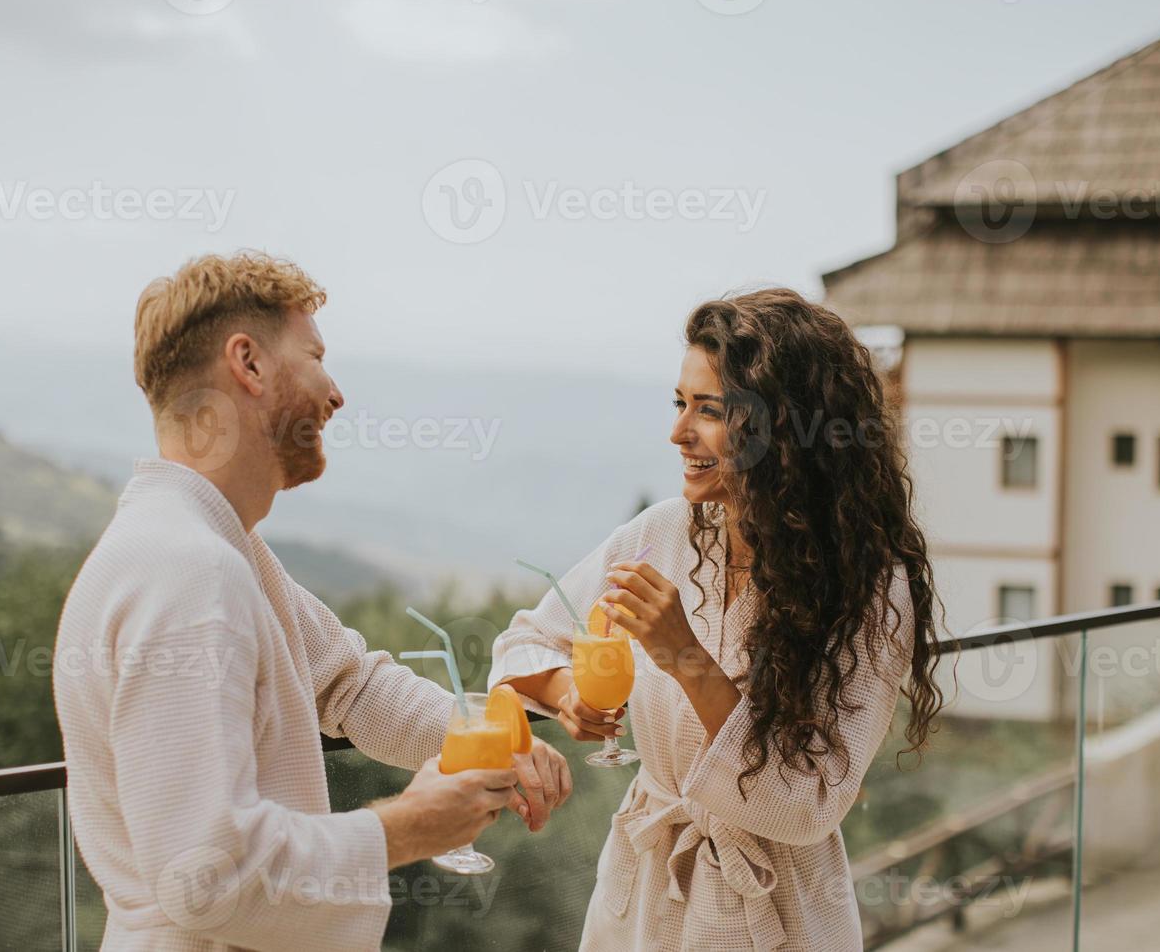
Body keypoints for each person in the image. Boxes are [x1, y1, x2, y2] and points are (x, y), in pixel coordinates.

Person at [53, 251, 571, 952]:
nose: (335, 393)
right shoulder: (186, 572)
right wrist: (414, 824)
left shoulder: (213, 547)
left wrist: (487, 736)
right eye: (315, 355)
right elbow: (207, 877)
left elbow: (349, 685)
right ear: (250, 364)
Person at [490, 289, 943, 951]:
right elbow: (525, 638)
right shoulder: (662, 534)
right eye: (680, 404)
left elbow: (806, 802)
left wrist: (682, 654)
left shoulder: (869, 585)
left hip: (777, 905)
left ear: (780, 427)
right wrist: (567, 697)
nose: (679, 433)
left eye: (709, 410)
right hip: (645, 892)